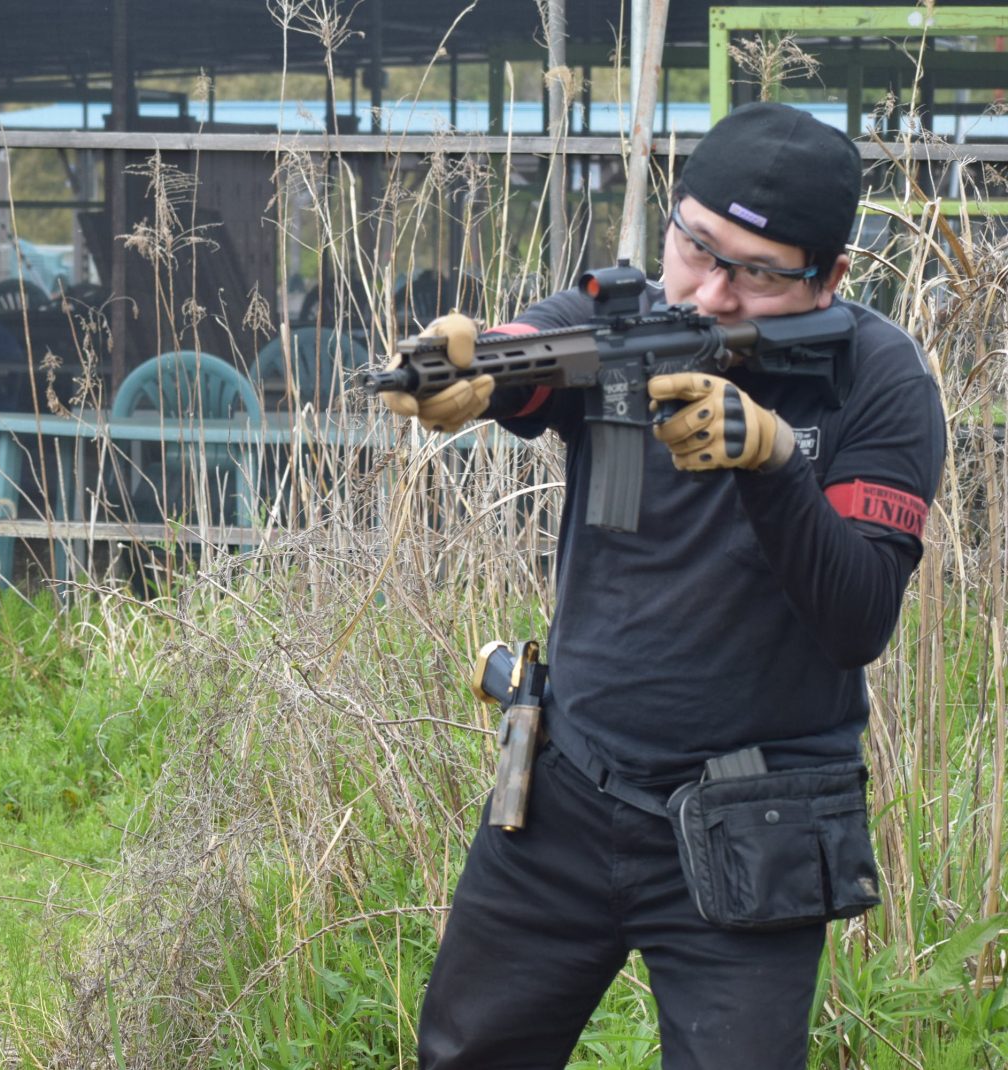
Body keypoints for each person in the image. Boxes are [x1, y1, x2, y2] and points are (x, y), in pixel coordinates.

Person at [381, 102, 947, 1068]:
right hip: (562, 793)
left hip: (755, 824)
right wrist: (460, 370)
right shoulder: (619, 324)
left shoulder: (877, 382)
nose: (713, 294)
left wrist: (773, 462)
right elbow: (526, 352)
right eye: (696, 248)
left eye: (758, 273)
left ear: (832, 278)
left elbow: (859, 618)